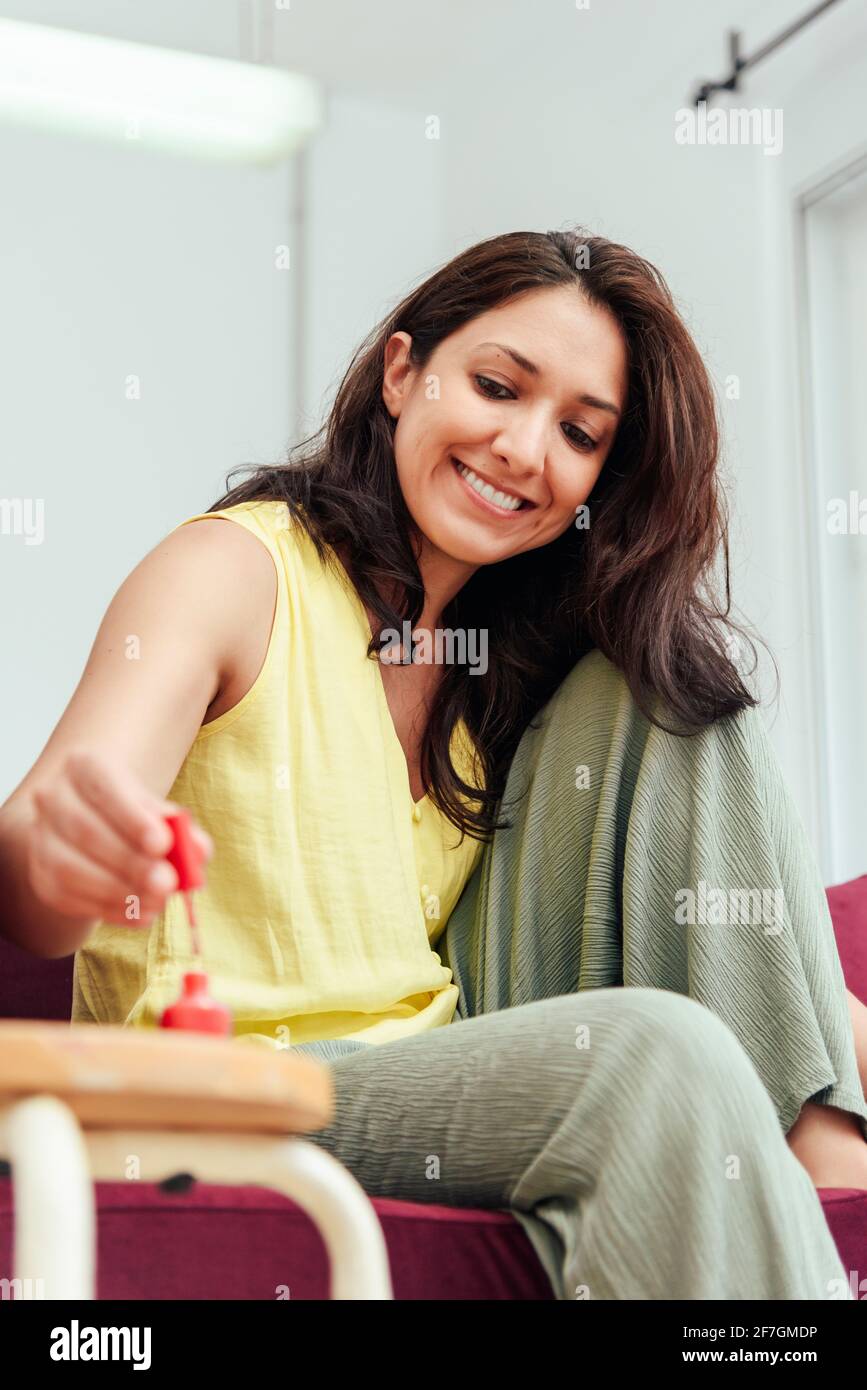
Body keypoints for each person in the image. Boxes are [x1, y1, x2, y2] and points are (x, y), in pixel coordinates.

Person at [2, 227, 865, 1300]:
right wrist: (63, 855)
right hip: (237, 1084)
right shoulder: (230, 570)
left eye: (581, 434)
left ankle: (828, 1154)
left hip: (449, 1062)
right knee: (656, 1051)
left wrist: (824, 1055)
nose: (523, 449)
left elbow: (748, 931)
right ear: (403, 373)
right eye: (499, 386)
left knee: (678, 687)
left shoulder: (503, 680)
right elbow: (42, 857)